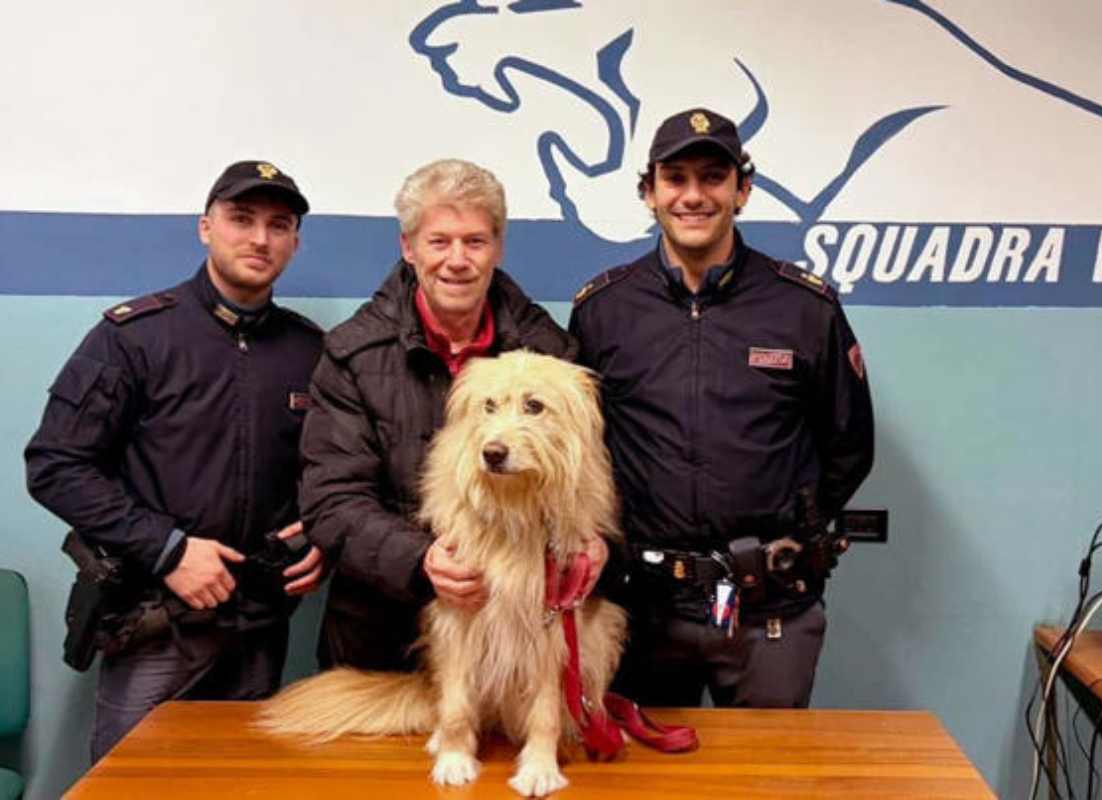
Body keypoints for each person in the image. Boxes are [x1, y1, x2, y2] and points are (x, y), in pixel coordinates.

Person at [569, 109, 875, 708]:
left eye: (712, 177)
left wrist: (785, 528)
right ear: (648, 192)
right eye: (675, 178)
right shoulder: (602, 311)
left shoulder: (804, 308)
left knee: (769, 781)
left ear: (743, 190)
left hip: (770, 610)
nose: (693, 196)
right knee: (641, 784)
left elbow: (849, 446)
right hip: (641, 609)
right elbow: (581, 448)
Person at [25, 160, 327, 760]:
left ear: (295, 242)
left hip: (261, 626)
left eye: (278, 225)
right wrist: (169, 550)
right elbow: (56, 465)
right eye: (241, 219)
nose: (259, 238)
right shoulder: (134, 337)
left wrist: (322, 530)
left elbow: (328, 467)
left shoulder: (310, 350)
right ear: (205, 227)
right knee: (131, 787)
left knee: (243, 786)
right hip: (158, 621)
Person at [299, 158, 604, 671]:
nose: (457, 260)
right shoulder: (352, 353)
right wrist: (420, 561)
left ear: (498, 247)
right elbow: (331, 499)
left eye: (475, 241)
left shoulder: (553, 354)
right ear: (408, 246)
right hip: (382, 637)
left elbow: (585, 477)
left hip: (512, 647)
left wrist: (592, 539)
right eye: (439, 241)